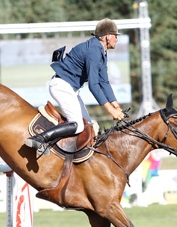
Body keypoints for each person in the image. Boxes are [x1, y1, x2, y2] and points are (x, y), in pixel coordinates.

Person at [25, 18, 125, 156]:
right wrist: (110, 111)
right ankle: (39, 139)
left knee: (88, 127)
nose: (117, 39)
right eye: (116, 36)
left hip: (70, 89)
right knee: (78, 125)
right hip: (61, 87)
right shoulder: (95, 50)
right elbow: (94, 86)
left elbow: (104, 82)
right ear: (108, 36)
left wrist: (116, 105)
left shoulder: (101, 51)